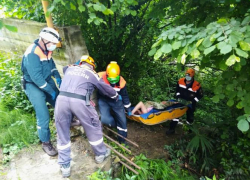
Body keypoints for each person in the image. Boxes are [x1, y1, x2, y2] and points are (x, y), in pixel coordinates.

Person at [54, 55, 118, 178]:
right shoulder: (92, 74)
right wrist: (115, 95)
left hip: (61, 100)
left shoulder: (70, 68)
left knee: (62, 131)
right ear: (92, 66)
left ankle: (65, 165)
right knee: (93, 125)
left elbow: (64, 69)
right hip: (79, 102)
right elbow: (106, 88)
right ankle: (100, 154)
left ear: (80, 62)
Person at [21, 27, 62, 156]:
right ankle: (46, 143)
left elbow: (52, 66)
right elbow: (37, 78)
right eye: (53, 43)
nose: (54, 46)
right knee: (43, 114)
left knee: (60, 101)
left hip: (46, 79)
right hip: (32, 84)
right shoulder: (32, 53)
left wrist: (57, 76)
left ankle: (68, 120)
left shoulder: (46, 49)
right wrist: (51, 91)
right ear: (44, 40)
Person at [98, 61, 132, 144]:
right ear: (107, 75)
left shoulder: (122, 82)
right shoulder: (99, 77)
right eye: (110, 79)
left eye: (115, 80)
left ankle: (122, 140)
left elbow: (124, 96)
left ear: (118, 75)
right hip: (104, 100)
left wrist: (128, 108)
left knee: (123, 121)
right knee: (105, 119)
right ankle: (114, 125)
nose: (113, 82)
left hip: (117, 101)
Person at [166, 68, 203, 135]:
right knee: (176, 115)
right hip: (180, 101)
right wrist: (178, 97)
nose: (187, 77)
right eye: (187, 75)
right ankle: (171, 129)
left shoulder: (196, 85)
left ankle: (189, 131)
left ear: (192, 76)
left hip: (191, 103)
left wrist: (192, 101)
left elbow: (200, 95)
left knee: (190, 117)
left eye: (189, 76)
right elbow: (177, 91)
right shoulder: (180, 81)